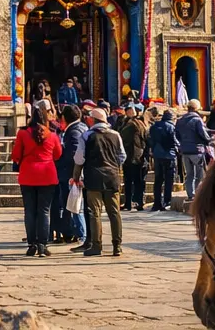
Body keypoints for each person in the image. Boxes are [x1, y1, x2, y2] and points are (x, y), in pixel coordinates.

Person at [73, 107, 127, 257]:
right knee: (114, 212)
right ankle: (117, 246)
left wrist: (76, 176)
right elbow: (122, 156)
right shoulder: (116, 135)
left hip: (93, 177)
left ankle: (97, 246)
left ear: (93, 120)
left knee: (94, 213)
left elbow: (79, 159)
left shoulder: (86, 136)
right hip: (112, 177)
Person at [11, 105, 63, 257]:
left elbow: (16, 154)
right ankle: (42, 244)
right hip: (47, 173)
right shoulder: (52, 135)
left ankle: (32, 244)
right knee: (44, 211)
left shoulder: (22, 133)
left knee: (30, 211)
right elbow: (58, 154)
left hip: (28, 174)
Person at [55, 104, 87, 243]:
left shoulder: (74, 132)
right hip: (73, 173)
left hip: (71, 174)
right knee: (72, 204)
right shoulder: (81, 128)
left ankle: (81, 234)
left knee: (75, 205)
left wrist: (75, 175)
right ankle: (71, 231)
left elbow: (74, 155)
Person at [176, 99, 212, 198]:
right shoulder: (197, 120)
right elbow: (203, 135)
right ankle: (198, 194)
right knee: (200, 175)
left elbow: (177, 135)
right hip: (197, 151)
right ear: (196, 108)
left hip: (185, 151)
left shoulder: (180, 120)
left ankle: (190, 194)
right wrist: (210, 140)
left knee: (189, 174)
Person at [119, 103, 149, 211]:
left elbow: (121, 137)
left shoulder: (130, 124)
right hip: (139, 156)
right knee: (138, 181)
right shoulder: (141, 124)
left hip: (131, 156)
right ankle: (138, 203)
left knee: (129, 181)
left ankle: (129, 203)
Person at [148, 108, 178, 210]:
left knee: (158, 179)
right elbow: (174, 141)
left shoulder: (154, 126)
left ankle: (157, 203)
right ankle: (167, 201)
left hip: (157, 155)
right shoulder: (171, 127)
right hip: (169, 155)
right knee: (169, 180)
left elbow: (150, 139)